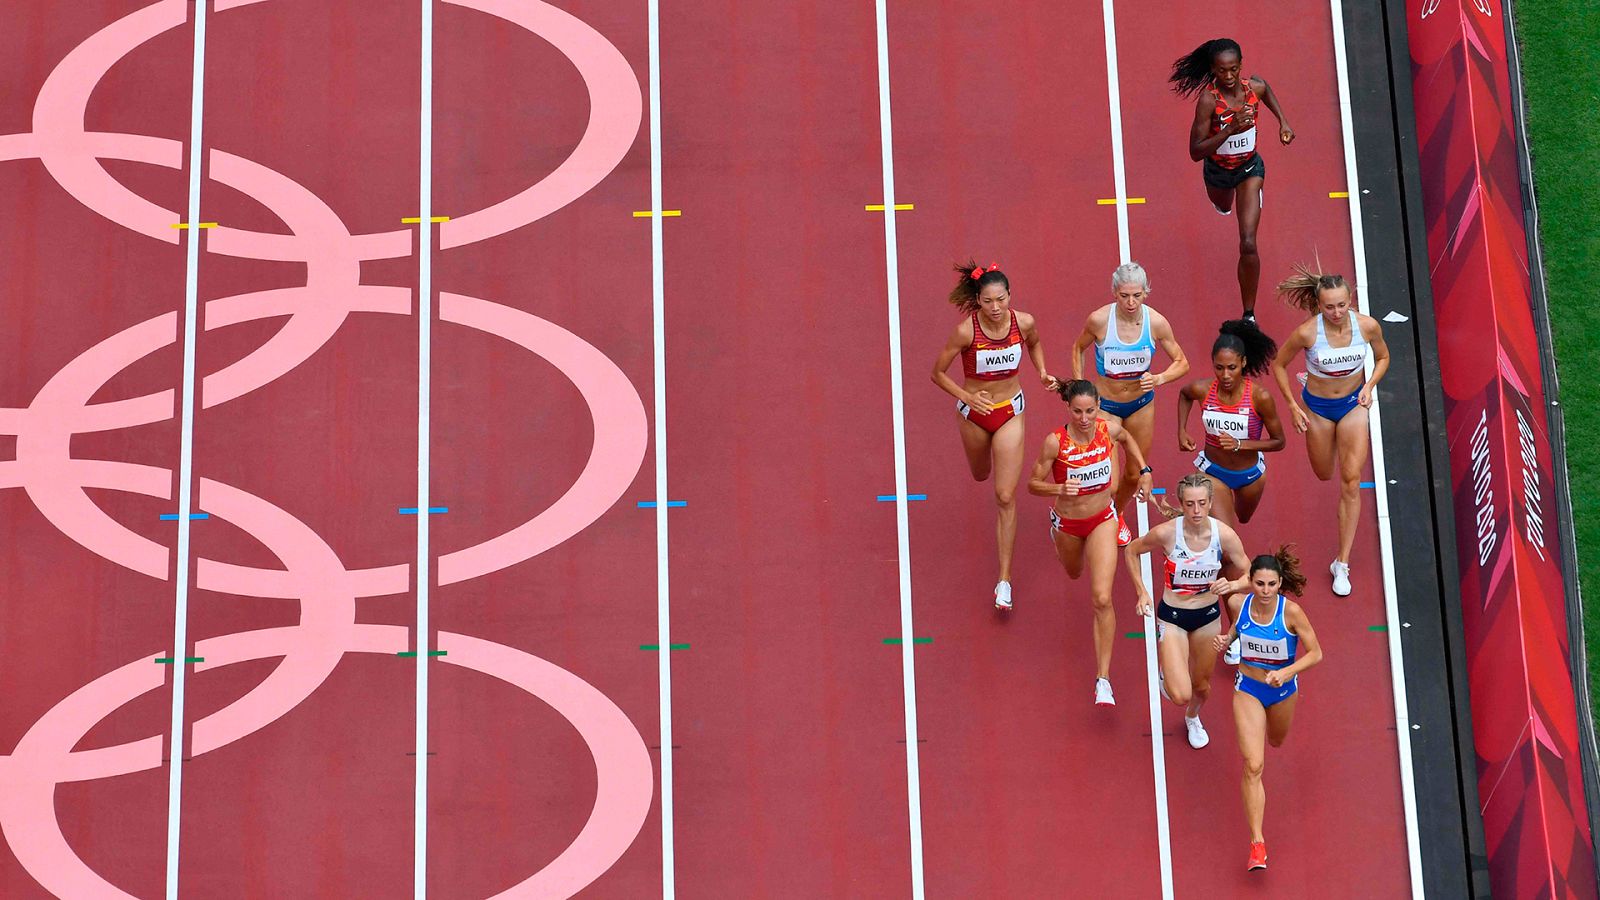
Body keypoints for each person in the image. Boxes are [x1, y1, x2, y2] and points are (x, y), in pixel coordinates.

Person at [1028, 380, 1153, 706]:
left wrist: (1144, 470)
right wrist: (1058, 490)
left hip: (1102, 520)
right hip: (1069, 524)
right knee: (1073, 572)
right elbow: (1033, 483)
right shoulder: (1055, 443)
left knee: (1100, 597)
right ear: (1068, 408)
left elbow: (1128, 438)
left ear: (1098, 407)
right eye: (1078, 411)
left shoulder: (1107, 430)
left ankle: (1103, 679)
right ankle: (1055, 536)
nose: (1084, 418)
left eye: (1090, 411)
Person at [1269, 266, 1391, 596]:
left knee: (1350, 480)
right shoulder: (1308, 333)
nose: (1336, 312)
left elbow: (1382, 357)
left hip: (1353, 405)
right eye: (1329, 307)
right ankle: (1316, 394)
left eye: (1341, 305)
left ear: (1350, 301)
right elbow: (1279, 365)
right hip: (1318, 410)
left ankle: (1342, 562)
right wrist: (1294, 406)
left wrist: (1369, 385)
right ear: (1319, 305)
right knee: (1324, 472)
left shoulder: (1367, 326)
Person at [1212, 547, 1323, 871]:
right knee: (1253, 764)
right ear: (1251, 582)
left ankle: (1258, 839)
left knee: (1276, 741)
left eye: (1271, 585)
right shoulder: (1238, 604)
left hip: (1283, 690)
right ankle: (1257, 843)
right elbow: (1237, 632)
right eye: (1258, 584)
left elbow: (1316, 653)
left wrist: (1287, 672)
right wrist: (1226, 641)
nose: (1264, 591)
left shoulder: (1292, 614)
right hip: (1248, 688)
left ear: (1279, 584)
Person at [1169, 38, 1296, 320]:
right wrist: (1230, 130)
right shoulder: (1208, 101)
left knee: (1248, 242)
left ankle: (1248, 313)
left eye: (1234, 69)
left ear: (1241, 66)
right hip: (1218, 173)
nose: (1228, 76)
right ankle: (1223, 204)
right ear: (1213, 70)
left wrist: (1283, 122)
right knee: (1224, 206)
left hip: (1250, 168)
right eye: (1222, 71)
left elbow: (1267, 91)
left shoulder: (1255, 87)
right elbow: (1195, 151)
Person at [1124, 473, 1250, 748]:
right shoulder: (1168, 533)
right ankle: (1167, 673)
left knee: (1202, 687)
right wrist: (1141, 591)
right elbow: (1131, 551)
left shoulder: (1223, 535)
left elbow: (1250, 572)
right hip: (1173, 616)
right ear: (1182, 503)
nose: (1196, 511)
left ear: (1210, 503)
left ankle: (1192, 718)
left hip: (1207, 617)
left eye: (1202, 503)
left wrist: (1232, 584)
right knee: (1179, 693)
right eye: (1190, 504)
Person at [1071, 262, 1189, 513]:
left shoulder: (1156, 323)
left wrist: (1159, 379)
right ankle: (1096, 515)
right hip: (1106, 406)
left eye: (1137, 295)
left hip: (1140, 406)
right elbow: (1078, 347)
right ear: (1115, 293)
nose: (1131, 302)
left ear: (1146, 292)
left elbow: (1182, 362)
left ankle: (1117, 513)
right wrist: (1079, 384)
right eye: (1124, 296)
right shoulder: (1100, 320)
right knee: (1110, 480)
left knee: (1134, 475)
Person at [1178, 320, 1285, 525]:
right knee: (1226, 543)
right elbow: (1184, 395)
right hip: (1213, 471)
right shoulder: (1203, 389)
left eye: (1232, 368)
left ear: (1243, 362)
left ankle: (1229, 506)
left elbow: (1279, 441)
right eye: (1219, 368)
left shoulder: (1259, 397)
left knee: (1243, 518)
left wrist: (1240, 444)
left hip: (1249, 475)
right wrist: (1181, 431)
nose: (1225, 375)